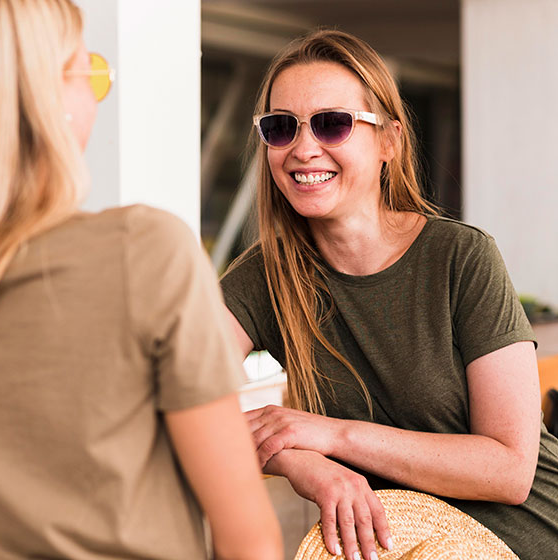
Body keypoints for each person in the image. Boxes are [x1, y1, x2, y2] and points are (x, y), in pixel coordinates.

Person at [0, 1, 283, 559]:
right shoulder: (142, 252)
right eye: (93, 74)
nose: (96, 100)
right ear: (46, 98)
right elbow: (248, 539)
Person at [220, 28, 558, 560]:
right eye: (281, 127)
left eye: (332, 124)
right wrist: (299, 460)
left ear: (389, 141)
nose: (303, 148)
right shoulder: (264, 277)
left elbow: (510, 470)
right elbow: (175, 405)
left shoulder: (461, 258)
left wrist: (332, 437)